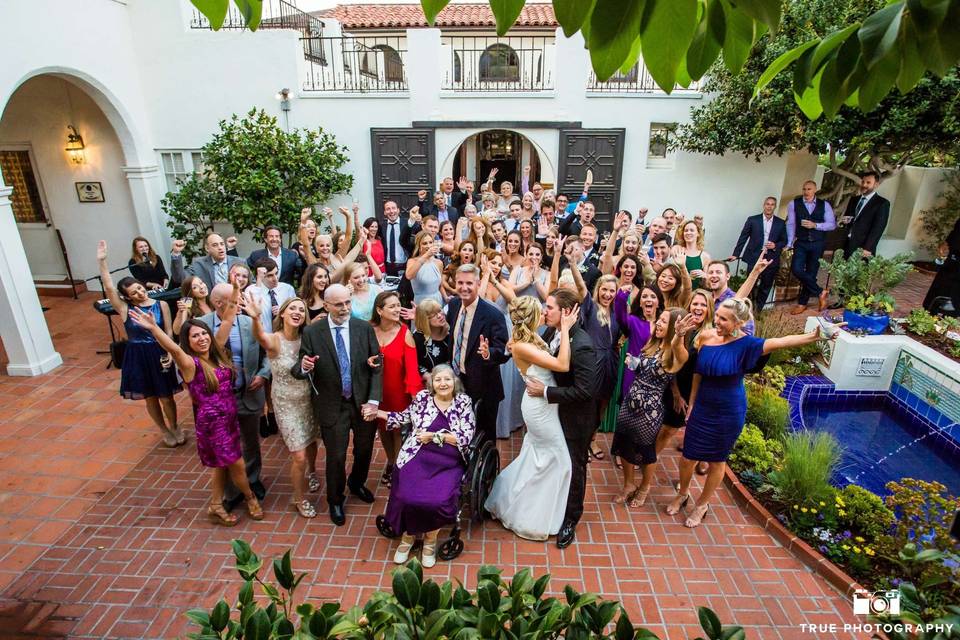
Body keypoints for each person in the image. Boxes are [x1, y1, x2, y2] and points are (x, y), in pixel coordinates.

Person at [669, 298, 840, 527]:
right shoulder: (705, 337)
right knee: (688, 456)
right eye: (717, 316)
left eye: (723, 319)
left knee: (717, 461)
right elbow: (698, 373)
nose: (717, 321)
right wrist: (692, 402)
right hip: (703, 407)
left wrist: (814, 336)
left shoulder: (748, 344)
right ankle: (683, 493)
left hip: (728, 411)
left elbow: (782, 342)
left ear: (738, 322)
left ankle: (702, 504)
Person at [130, 288, 265, 526]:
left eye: (204, 334)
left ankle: (215, 504)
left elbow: (229, 317)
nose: (202, 338)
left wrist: (235, 290)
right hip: (214, 425)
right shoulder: (189, 363)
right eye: (195, 336)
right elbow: (172, 348)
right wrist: (153, 328)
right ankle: (250, 498)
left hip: (229, 418)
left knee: (222, 465)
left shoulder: (217, 352)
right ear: (188, 341)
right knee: (237, 463)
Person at [484, 295, 578, 541]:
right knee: (559, 459)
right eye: (541, 311)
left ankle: (515, 499)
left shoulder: (528, 338)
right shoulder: (522, 345)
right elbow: (562, 364)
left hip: (545, 403)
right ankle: (531, 514)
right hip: (538, 407)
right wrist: (566, 330)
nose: (545, 314)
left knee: (537, 456)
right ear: (532, 317)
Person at [291, 283, 383, 526]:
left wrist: (373, 401)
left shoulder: (364, 329)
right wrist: (305, 366)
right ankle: (335, 499)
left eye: (347, 303)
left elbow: (377, 364)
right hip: (332, 404)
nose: (344, 308)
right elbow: (301, 365)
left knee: (364, 450)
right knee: (336, 456)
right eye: (339, 304)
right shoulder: (313, 332)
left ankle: (356, 483)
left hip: (362, 402)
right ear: (326, 305)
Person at [523, 289, 599, 547]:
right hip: (554, 413)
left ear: (566, 313)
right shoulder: (552, 332)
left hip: (576, 419)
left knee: (575, 467)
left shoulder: (583, 345)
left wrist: (544, 391)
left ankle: (570, 520)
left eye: (549, 307)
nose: (545, 311)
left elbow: (585, 391)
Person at [379, 365, 475, 568]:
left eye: (447, 379)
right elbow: (405, 417)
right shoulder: (423, 398)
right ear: (431, 383)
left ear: (454, 382)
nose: (443, 383)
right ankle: (408, 537)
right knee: (406, 496)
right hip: (418, 456)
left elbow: (465, 437)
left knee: (437, 501)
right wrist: (379, 413)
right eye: (438, 380)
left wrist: (434, 436)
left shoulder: (463, 402)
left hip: (448, 461)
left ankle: (430, 541)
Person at [96, 241, 183, 447]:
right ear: (127, 297)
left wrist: (170, 352)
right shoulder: (126, 310)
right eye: (134, 293)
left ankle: (175, 425)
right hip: (138, 355)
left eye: (139, 288)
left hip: (159, 352)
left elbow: (169, 332)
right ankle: (164, 430)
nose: (140, 293)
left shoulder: (161, 305)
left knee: (167, 396)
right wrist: (102, 262)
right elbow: (109, 288)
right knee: (150, 397)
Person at [243, 294, 319, 518]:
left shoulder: (308, 338)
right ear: (283, 313)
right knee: (299, 456)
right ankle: (299, 497)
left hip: (308, 399)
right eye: (293, 309)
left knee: (313, 439)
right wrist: (256, 318)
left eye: (302, 310)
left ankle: (313, 472)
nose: (298, 313)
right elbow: (260, 337)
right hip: (286, 404)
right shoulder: (275, 340)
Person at [199, 283, 270, 510]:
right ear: (219, 303)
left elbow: (267, 353)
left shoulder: (249, 322)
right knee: (225, 446)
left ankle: (252, 479)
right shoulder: (202, 327)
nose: (240, 303)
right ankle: (231, 493)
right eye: (234, 299)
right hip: (218, 402)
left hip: (247, 393)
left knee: (250, 442)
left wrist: (263, 374)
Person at [613, 308, 693, 507]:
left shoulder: (676, 353)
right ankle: (628, 484)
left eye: (664, 322)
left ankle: (645, 487)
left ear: (674, 327)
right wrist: (634, 363)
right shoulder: (652, 343)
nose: (658, 323)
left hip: (650, 409)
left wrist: (679, 335)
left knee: (646, 452)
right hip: (631, 401)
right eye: (659, 319)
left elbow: (680, 353)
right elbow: (645, 367)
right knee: (624, 446)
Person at [445, 264, 510, 442]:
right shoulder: (454, 305)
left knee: (483, 437)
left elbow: (504, 351)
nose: (464, 287)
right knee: (459, 433)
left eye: (469, 283)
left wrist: (489, 353)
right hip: (458, 384)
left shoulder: (493, 315)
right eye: (460, 283)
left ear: (478, 283)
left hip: (484, 388)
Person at [371, 291, 423, 489]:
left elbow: (412, 370)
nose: (397, 309)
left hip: (398, 393)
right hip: (376, 393)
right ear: (379, 310)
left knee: (397, 432)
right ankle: (391, 462)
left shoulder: (405, 333)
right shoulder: (369, 330)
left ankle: (399, 467)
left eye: (397, 305)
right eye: (391, 306)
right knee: (383, 428)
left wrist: (415, 397)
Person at [579, 274, 620, 459]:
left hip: (611, 361)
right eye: (604, 289)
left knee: (603, 402)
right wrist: (572, 263)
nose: (608, 294)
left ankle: (592, 439)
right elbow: (581, 286)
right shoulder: (590, 306)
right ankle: (582, 442)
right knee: (588, 403)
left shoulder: (618, 312)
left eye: (612, 290)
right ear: (598, 289)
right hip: (592, 361)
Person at [729, 196, 788, 309]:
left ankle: (759, 310)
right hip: (754, 256)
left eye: (772, 204)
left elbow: (784, 240)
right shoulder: (753, 220)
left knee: (766, 285)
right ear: (764, 205)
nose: (769, 206)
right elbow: (743, 237)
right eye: (767, 204)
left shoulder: (780, 223)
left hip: (770, 258)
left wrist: (776, 245)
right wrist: (736, 254)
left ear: (775, 207)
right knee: (750, 283)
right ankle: (747, 308)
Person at [787, 180, 836, 314]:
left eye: (809, 189)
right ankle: (820, 292)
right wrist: (789, 242)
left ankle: (802, 303)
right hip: (801, 242)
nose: (806, 192)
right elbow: (791, 224)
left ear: (815, 190)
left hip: (817, 243)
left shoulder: (824, 205)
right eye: (804, 189)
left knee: (811, 273)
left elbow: (832, 224)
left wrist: (816, 225)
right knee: (796, 269)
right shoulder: (794, 204)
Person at [170, 233, 246, 291]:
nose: (220, 248)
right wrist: (176, 253)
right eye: (215, 245)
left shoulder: (240, 262)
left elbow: (251, 284)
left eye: (222, 244)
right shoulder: (198, 264)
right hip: (212, 307)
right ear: (207, 248)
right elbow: (179, 278)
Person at [840, 171, 890, 258]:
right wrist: (845, 221)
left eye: (868, 182)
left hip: (863, 247)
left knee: (857, 271)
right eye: (863, 182)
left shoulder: (882, 203)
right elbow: (849, 219)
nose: (864, 185)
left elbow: (878, 228)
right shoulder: (853, 199)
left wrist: (868, 248)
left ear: (876, 184)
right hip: (846, 242)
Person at [248, 258, 297, 331]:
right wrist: (259, 280)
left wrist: (283, 312)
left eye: (276, 273)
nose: (275, 278)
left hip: (284, 336)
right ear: (260, 276)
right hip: (262, 338)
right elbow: (255, 309)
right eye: (270, 275)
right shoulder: (252, 290)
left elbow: (296, 312)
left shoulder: (287, 289)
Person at [923, 217, 960, 312]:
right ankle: (928, 313)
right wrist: (946, 244)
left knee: (951, 308)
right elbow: (956, 231)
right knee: (932, 301)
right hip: (951, 262)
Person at [413, 298, 451, 379]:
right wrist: (427, 376)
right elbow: (413, 363)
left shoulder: (451, 331)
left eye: (440, 311)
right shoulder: (418, 338)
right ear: (425, 319)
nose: (440, 316)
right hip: (428, 383)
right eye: (433, 315)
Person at [406, 230, 444, 305]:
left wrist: (446, 297)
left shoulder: (438, 263)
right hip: (422, 302)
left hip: (437, 301)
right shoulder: (412, 261)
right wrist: (426, 255)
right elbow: (409, 276)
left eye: (430, 242)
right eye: (424, 243)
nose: (429, 245)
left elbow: (440, 286)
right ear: (418, 246)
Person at [378, 200, 414, 277]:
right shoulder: (381, 227)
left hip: (405, 265)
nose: (391, 211)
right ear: (384, 212)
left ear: (398, 210)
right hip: (388, 267)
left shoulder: (408, 223)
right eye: (388, 209)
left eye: (393, 208)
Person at [673, 221, 711, 289]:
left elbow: (707, 285)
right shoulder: (677, 250)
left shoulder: (705, 256)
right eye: (686, 230)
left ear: (698, 234)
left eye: (692, 230)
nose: (688, 233)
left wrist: (705, 276)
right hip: (677, 294)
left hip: (694, 296)